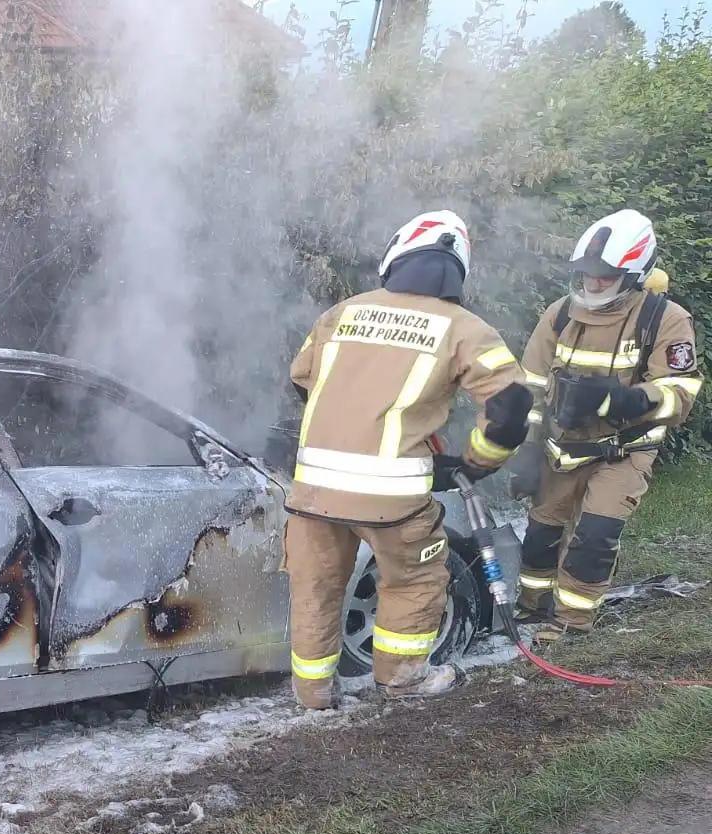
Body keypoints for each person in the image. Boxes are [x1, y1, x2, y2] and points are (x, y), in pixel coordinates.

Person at [286, 210, 533, 709]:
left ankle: (312, 695)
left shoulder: (344, 312)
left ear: (396, 256)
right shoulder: (465, 328)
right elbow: (509, 408)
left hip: (313, 491)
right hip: (393, 499)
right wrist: (475, 461)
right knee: (414, 580)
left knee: (315, 588)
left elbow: (301, 379)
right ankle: (401, 680)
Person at [514, 208, 701, 641]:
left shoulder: (664, 319)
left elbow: (680, 393)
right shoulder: (560, 314)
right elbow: (531, 386)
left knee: (594, 536)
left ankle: (571, 622)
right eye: (587, 274)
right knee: (542, 533)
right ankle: (530, 609)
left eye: (605, 276)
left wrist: (627, 399)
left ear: (635, 274)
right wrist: (525, 447)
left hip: (623, 450)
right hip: (562, 448)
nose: (593, 283)